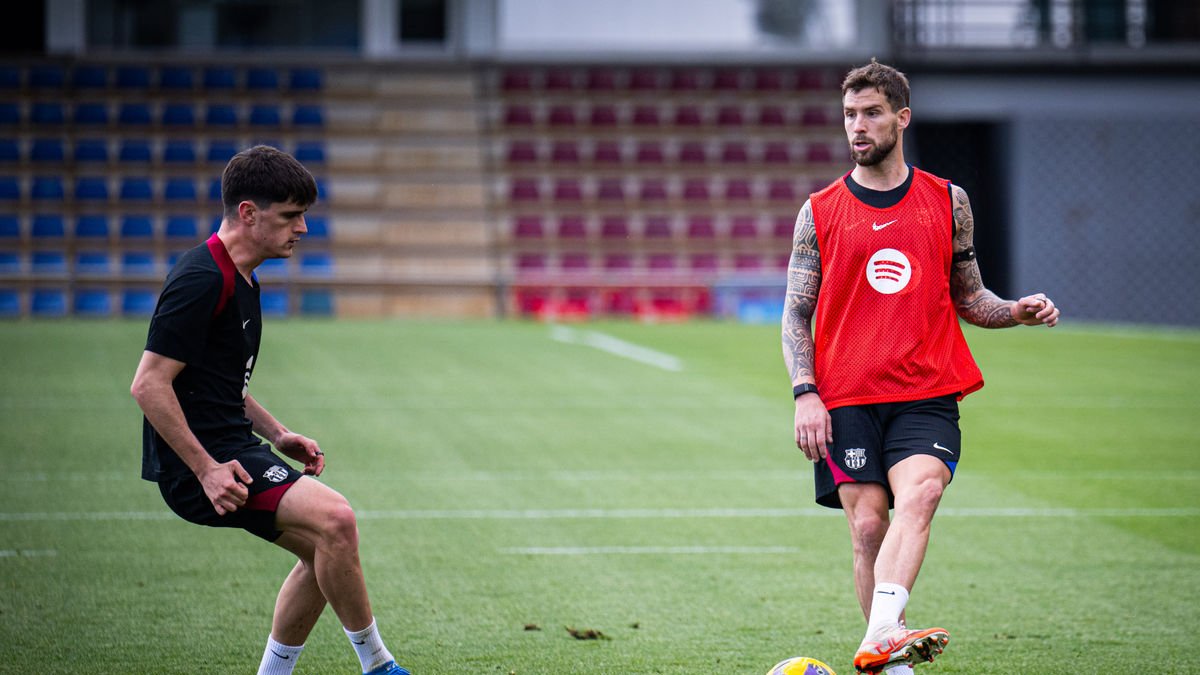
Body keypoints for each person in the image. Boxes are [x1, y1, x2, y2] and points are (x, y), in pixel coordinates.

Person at [780, 61, 1059, 674]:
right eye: (850, 114)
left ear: (901, 118)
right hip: (846, 395)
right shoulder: (819, 211)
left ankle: (882, 633)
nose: (858, 126)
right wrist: (805, 393)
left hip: (926, 389)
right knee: (867, 527)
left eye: (872, 112)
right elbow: (795, 314)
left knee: (923, 492)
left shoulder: (947, 200)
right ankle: (893, 662)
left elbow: (970, 298)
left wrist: (1015, 311)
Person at [130, 145, 410, 675]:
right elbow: (148, 385)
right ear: (248, 213)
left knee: (326, 552)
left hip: (231, 447)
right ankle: (379, 667)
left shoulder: (243, 277)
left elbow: (219, 381)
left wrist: (278, 433)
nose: (302, 228)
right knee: (337, 520)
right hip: (207, 464)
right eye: (290, 216)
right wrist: (206, 469)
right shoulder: (201, 278)